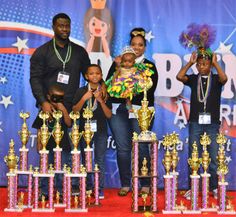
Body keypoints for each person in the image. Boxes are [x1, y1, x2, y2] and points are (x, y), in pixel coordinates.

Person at [177, 23, 228, 200]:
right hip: (195, 122)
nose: (202, 67)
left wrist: (216, 63)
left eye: (206, 64)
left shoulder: (216, 78)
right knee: (194, 155)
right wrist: (189, 62)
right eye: (200, 64)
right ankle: (193, 188)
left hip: (212, 123)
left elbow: (224, 78)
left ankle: (214, 187)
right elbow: (179, 77)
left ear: (210, 65)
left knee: (213, 156)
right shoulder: (192, 79)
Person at [106, 28, 158, 196]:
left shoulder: (149, 66)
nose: (137, 48)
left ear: (145, 47)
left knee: (142, 147)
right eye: (134, 44)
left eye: (140, 45)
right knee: (122, 149)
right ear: (130, 45)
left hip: (139, 112)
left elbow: (150, 91)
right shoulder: (118, 63)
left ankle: (144, 184)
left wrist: (130, 93)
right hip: (119, 111)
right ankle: (125, 184)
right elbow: (109, 86)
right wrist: (118, 74)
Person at [30, 13, 91, 114]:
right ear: (53, 27)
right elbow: (35, 79)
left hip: (73, 104)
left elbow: (89, 73)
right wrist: (43, 102)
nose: (65, 29)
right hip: (50, 104)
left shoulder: (79, 51)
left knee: (74, 130)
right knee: (47, 130)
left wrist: (101, 85)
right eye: (61, 26)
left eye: (67, 26)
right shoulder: (42, 52)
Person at [73, 64, 112, 199]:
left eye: (97, 73)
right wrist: (84, 98)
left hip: (100, 130)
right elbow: (75, 111)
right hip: (85, 131)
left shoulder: (105, 92)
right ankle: (87, 186)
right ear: (86, 76)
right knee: (86, 159)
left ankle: (99, 188)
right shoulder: (80, 91)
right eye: (91, 73)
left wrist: (101, 101)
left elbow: (109, 115)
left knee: (100, 159)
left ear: (101, 75)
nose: (94, 76)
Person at [32, 84, 72, 201]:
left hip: (63, 145)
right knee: (45, 168)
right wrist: (40, 143)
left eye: (61, 98)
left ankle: (60, 191)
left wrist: (63, 109)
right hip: (47, 145)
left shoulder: (65, 108)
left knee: (61, 169)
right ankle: (45, 192)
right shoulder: (44, 110)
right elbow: (39, 127)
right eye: (55, 98)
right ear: (49, 97)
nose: (58, 101)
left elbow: (69, 124)